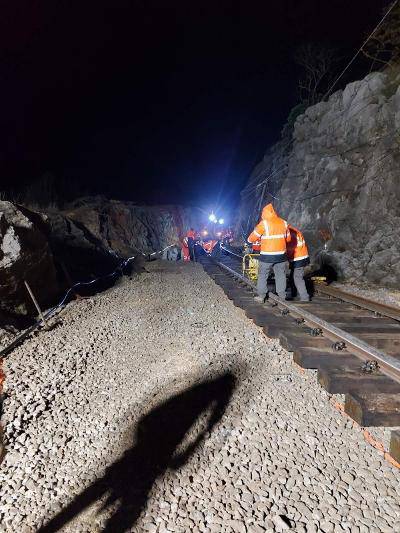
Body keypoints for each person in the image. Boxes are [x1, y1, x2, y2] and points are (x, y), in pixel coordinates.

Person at [247, 203, 290, 302]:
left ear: (264, 213)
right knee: (280, 275)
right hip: (281, 255)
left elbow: (253, 237)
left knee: (262, 275)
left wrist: (249, 241)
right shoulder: (284, 223)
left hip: (267, 255)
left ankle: (261, 296)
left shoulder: (264, 223)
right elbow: (288, 239)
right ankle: (282, 296)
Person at [286, 224, 310, 302]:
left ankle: (304, 297)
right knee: (292, 276)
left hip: (298, 258)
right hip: (300, 256)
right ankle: (294, 294)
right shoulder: (295, 231)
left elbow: (290, 248)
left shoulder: (291, 234)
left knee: (298, 278)